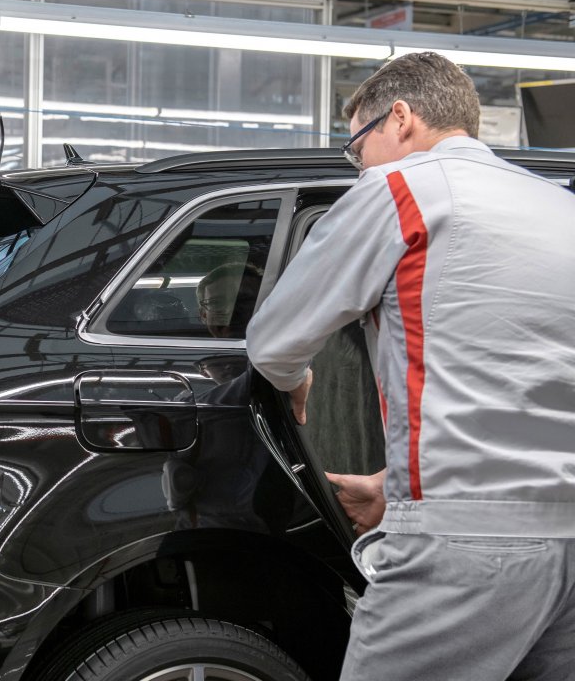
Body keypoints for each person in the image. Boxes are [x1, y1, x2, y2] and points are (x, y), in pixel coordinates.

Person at [245, 51, 575, 680]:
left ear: (399, 119)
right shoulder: (560, 207)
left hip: (465, 544)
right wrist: (394, 487)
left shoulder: (402, 191)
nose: (359, 165)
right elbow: (524, 382)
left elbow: (276, 340)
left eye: (357, 147)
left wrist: (296, 381)